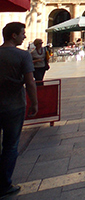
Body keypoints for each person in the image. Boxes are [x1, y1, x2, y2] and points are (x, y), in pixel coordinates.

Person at [0, 22, 38, 198]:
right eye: (23, 33)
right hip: (14, 106)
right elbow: (30, 82)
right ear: (13, 35)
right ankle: (4, 184)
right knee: (10, 146)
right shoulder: (23, 55)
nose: (25, 36)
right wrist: (35, 103)